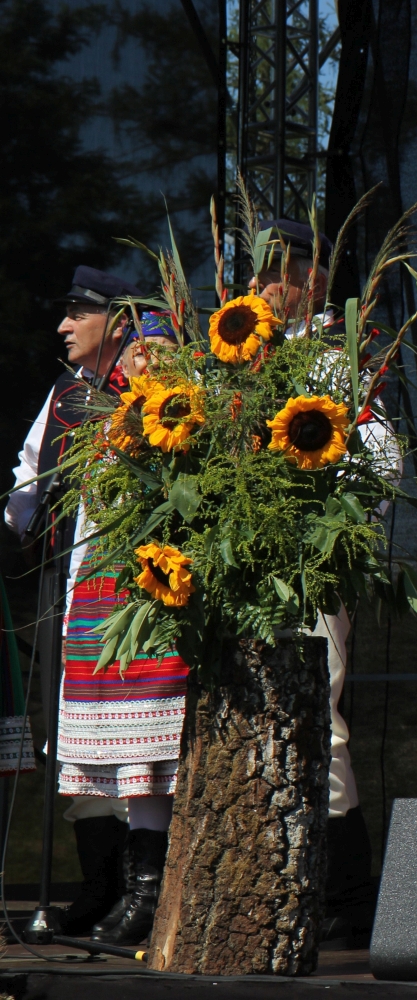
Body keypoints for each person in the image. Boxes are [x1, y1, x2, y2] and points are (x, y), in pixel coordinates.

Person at [250, 218, 398, 939]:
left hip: (310, 564)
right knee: (261, 718)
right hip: (248, 568)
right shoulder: (244, 358)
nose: (260, 286)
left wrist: (330, 530)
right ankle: (278, 884)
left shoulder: (338, 357)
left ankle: (346, 893)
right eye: (256, 271)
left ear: (312, 280)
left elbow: (380, 458)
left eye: (275, 271)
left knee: (318, 719)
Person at [5, 267, 141, 936]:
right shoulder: (67, 392)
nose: (63, 326)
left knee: (131, 733)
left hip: (136, 589)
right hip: (72, 580)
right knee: (76, 733)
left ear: (117, 321)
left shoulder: (147, 387)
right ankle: (98, 887)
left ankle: (139, 891)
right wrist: (24, 519)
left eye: (77, 314)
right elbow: (29, 476)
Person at [53, 307, 186, 945]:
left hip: (154, 590)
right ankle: (134, 891)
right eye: (138, 350)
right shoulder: (108, 427)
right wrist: (73, 605)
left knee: (149, 753)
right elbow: (87, 524)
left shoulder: (186, 420)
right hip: (101, 595)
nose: (145, 361)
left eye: (160, 350)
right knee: (120, 757)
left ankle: (149, 895)